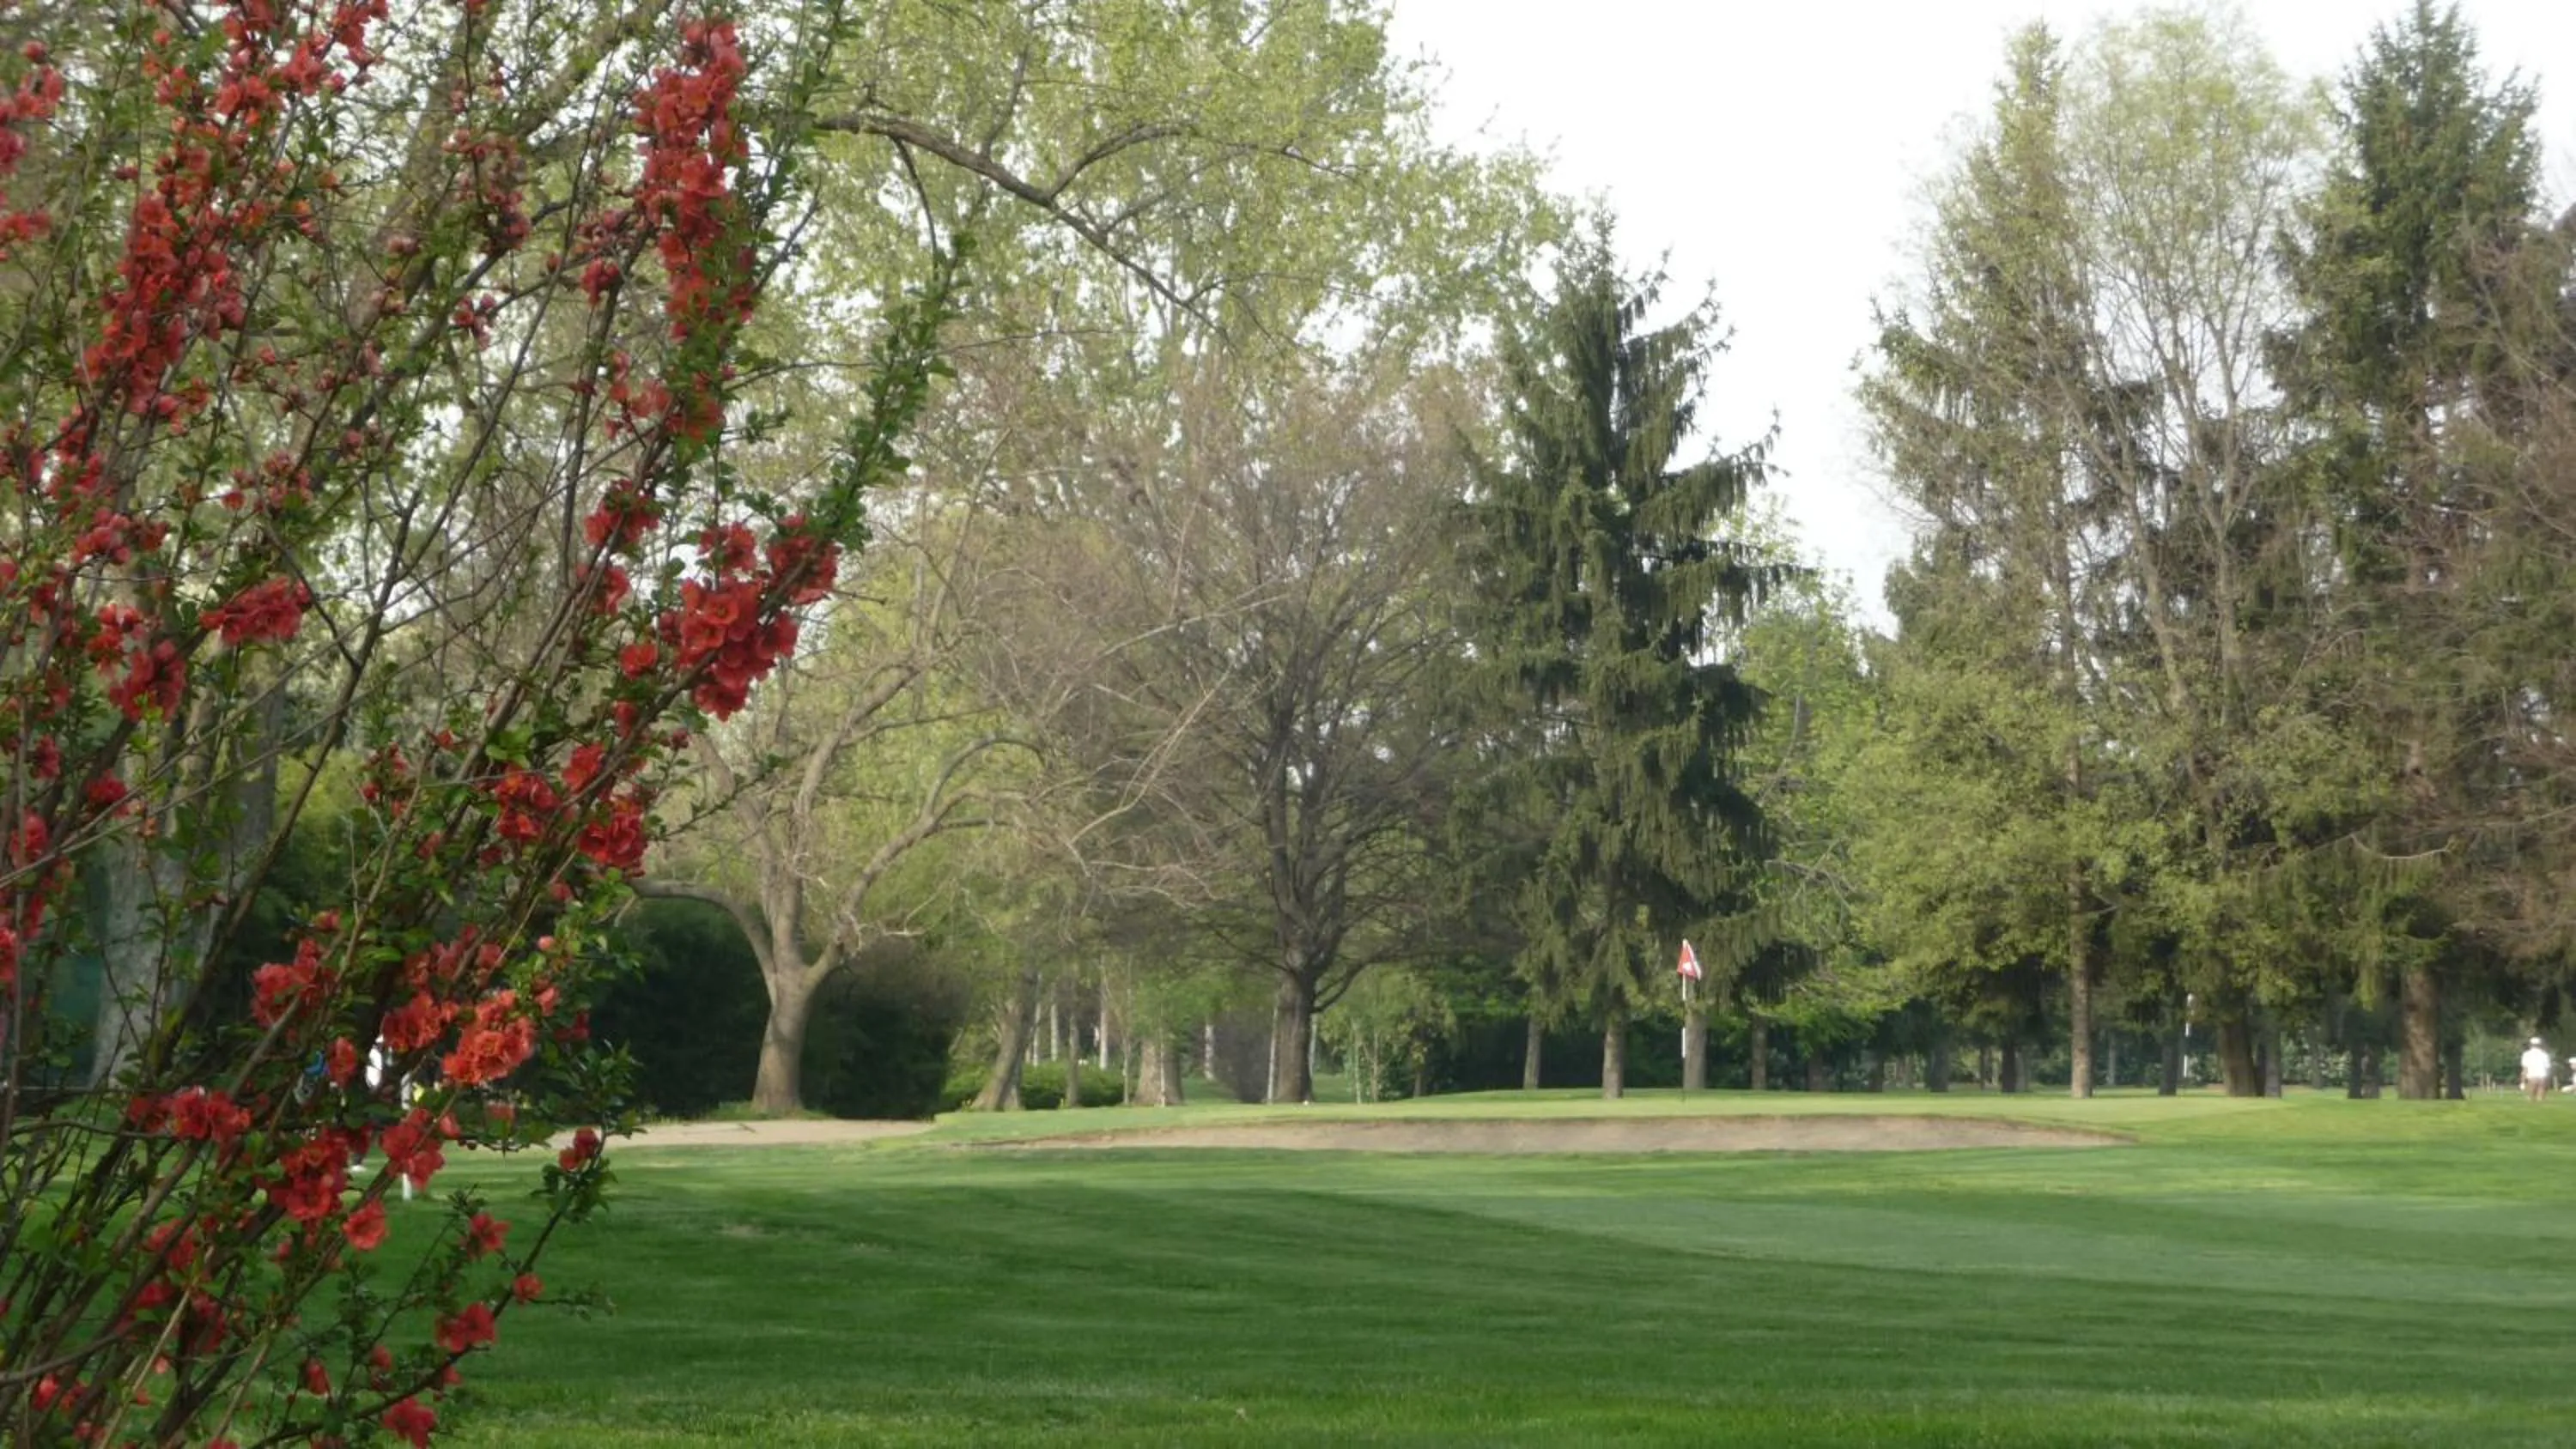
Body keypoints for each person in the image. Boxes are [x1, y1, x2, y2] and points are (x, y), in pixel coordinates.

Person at [2519, 1037, 2553, 1102]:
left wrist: (2522, 1082)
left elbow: (2525, 1070)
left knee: (2531, 1100)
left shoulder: (2526, 1054)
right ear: (2540, 1045)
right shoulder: (2545, 1055)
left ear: (2530, 1044)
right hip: (2543, 1078)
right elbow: (2548, 1069)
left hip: (2532, 1078)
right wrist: (2548, 1081)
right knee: (2541, 1100)